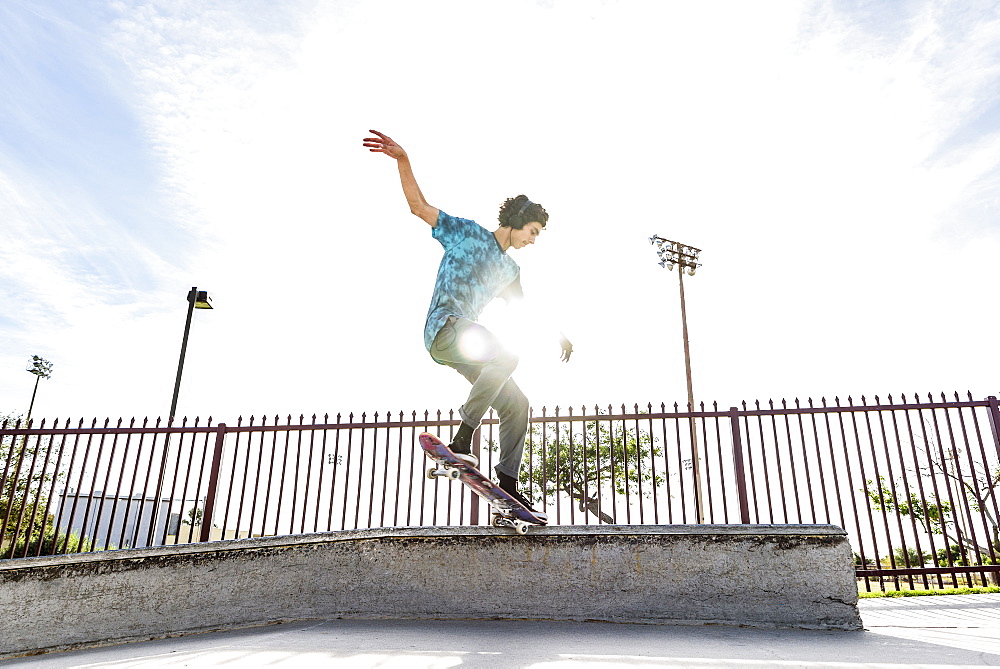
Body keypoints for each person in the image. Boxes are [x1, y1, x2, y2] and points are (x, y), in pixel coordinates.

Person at [363, 129, 573, 519]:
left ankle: (508, 484)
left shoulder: (510, 269)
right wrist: (403, 160)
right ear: (517, 221)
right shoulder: (466, 234)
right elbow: (418, 206)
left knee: (517, 405)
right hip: (445, 327)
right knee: (508, 355)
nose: (534, 240)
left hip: (466, 348)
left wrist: (557, 334)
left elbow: (525, 310)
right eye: (533, 231)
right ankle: (464, 436)